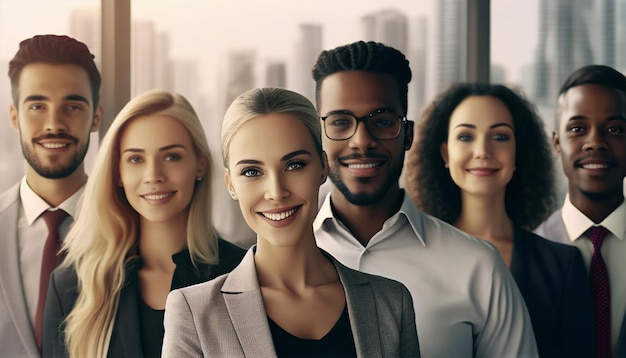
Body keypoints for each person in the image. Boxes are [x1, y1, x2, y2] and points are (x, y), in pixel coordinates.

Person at [312, 40, 538, 357]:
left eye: (382, 121)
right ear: (318, 135)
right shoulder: (277, 263)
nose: (362, 141)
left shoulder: (478, 266)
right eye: (339, 122)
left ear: (408, 134)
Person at [162, 87, 419, 357]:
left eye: (295, 165)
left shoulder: (391, 301)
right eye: (252, 172)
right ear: (231, 184)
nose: (276, 191)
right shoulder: (194, 313)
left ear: (323, 167)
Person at [42, 89, 246, 358]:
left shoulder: (243, 275)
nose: (153, 175)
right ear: (118, 173)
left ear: (200, 165)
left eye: (171, 156)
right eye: (136, 159)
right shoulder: (71, 285)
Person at [406, 82, 594, 357]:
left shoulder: (562, 266)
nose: (483, 150)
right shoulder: (410, 258)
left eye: (501, 137)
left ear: (518, 151)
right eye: (466, 137)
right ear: (445, 154)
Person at [0, 34, 102, 357]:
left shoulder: (135, 227)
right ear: (14, 117)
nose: (54, 124)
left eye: (72, 106)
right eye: (37, 106)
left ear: (96, 117)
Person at [535, 64, 626, 357]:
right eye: (577, 129)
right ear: (557, 142)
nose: (595, 143)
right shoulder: (528, 254)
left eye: (615, 129)